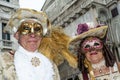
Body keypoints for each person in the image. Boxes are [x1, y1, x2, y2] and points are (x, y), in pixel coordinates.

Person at [0, 8, 60, 80]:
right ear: (17, 35)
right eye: (26, 29)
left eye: (37, 29)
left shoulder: (51, 65)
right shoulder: (3, 60)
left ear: (41, 37)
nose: (32, 34)